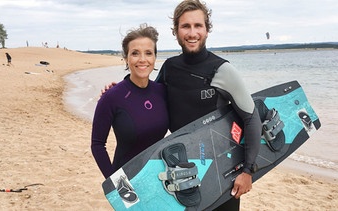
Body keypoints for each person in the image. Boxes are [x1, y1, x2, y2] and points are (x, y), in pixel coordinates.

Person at [102, 1, 261, 210]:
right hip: (181, 170)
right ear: (176, 31)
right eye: (185, 26)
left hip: (221, 171)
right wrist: (119, 92)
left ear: (207, 30)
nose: (192, 33)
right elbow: (146, 98)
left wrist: (248, 171)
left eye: (198, 26)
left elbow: (251, 118)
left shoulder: (222, 70)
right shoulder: (170, 68)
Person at [91, 24, 169, 179]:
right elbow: (98, 145)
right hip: (127, 178)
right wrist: (116, 183)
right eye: (135, 53)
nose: (142, 59)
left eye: (148, 53)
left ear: (154, 58)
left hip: (159, 177)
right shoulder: (111, 98)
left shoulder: (162, 91)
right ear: (126, 58)